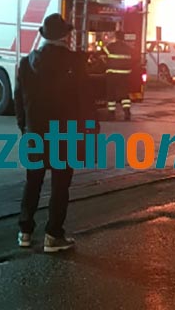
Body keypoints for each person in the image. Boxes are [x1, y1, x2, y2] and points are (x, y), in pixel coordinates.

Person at [15, 13, 88, 253]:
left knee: (33, 182)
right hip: (64, 134)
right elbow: (84, 101)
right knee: (60, 185)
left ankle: (25, 231)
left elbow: (19, 103)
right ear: (66, 35)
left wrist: (26, 128)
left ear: (44, 36)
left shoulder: (26, 64)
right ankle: (53, 236)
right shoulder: (75, 63)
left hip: (34, 133)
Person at [103, 30, 133, 121]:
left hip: (112, 74)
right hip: (124, 75)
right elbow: (135, 59)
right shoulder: (128, 48)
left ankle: (111, 114)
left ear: (115, 37)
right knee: (124, 95)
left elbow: (100, 55)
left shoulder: (110, 47)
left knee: (111, 93)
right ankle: (127, 112)